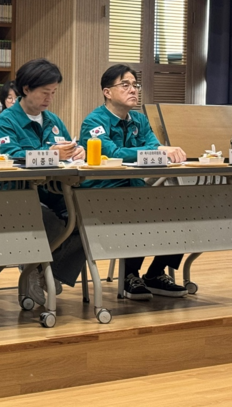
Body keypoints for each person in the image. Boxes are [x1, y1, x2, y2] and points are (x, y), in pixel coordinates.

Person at [80, 64, 188, 299]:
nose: (133, 90)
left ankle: (155, 274)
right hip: (101, 192)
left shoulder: (139, 119)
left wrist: (157, 150)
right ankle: (129, 275)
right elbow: (112, 153)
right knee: (138, 209)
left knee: (181, 208)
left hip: (134, 187)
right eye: (125, 85)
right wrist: (156, 150)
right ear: (107, 92)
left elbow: (153, 146)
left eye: (135, 85)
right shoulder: (94, 122)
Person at [0, 58, 87, 306]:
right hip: (16, 193)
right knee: (46, 219)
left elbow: (66, 149)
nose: (49, 98)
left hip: (52, 191)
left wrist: (77, 152)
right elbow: (8, 156)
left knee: (86, 216)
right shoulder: (5, 122)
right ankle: (33, 268)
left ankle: (46, 270)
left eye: (53, 92)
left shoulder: (53, 121)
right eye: (45, 92)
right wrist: (51, 154)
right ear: (26, 89)